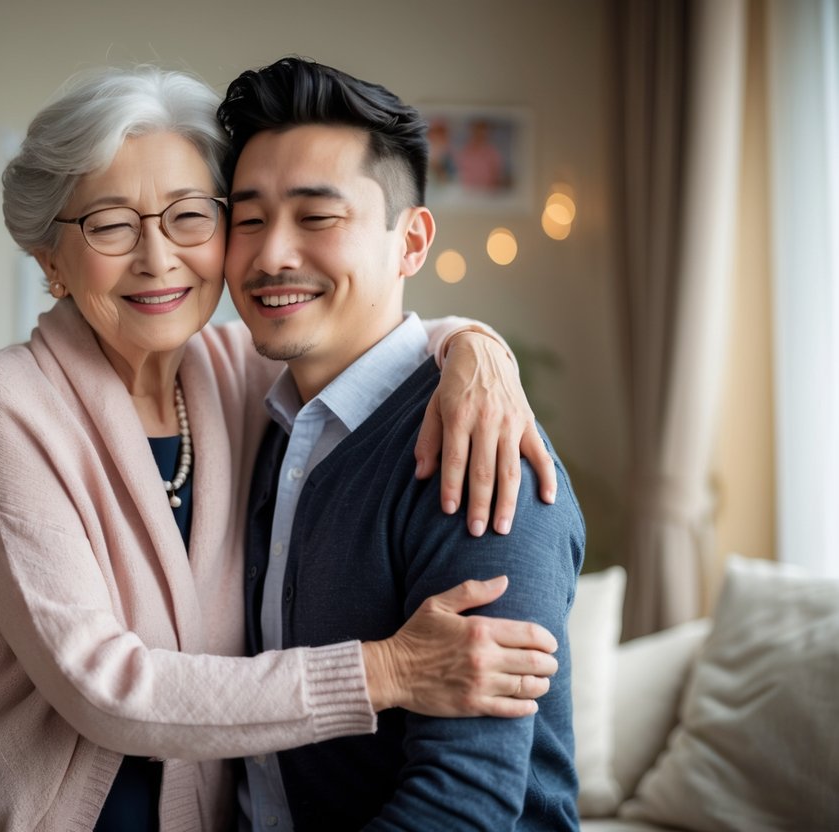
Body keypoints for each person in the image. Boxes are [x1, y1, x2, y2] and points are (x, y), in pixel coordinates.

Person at [0, 66, 560, 832]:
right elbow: (104, 685)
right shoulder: (7, 396)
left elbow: (364, 333)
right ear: (49, 259)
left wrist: (474, 346)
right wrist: (384, 671)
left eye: (189, 216)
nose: (157, 258)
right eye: (108, 224)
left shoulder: (239, 373)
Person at [218, 57, 582, 829]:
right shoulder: (255, 417)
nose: (271, 253)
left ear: (410, 242)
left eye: (317, 217)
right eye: (246, 219)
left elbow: (464, 805)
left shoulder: (477, 447)